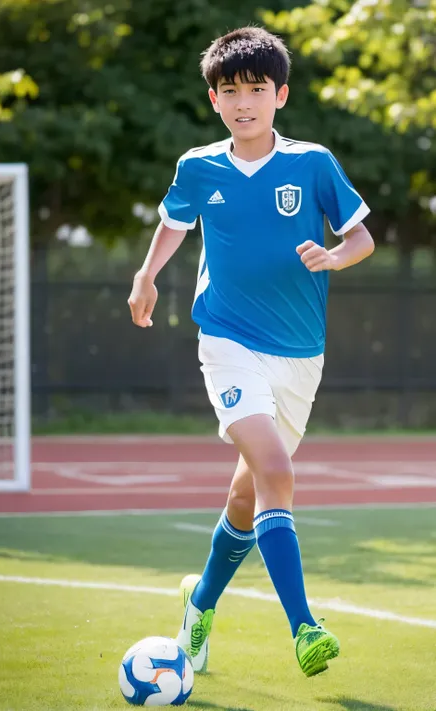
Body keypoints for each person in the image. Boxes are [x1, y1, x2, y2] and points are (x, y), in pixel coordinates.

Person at [128, 26, 374, 678]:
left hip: (301, 356)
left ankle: (199, 603)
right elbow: (173, 224)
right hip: (228, 341)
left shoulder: (313, 163)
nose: (244, 102)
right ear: (214, 98)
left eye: (256, 90)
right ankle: (305, 627)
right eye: (230, 91)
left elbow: (362, 237)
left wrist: (335, 255)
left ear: (280, 94)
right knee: (276, 470)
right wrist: (146, 274)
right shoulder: (198, 166)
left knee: (248, 495)